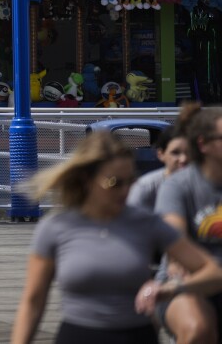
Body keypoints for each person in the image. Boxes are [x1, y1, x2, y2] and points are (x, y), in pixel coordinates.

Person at [12, 130, 222, 344]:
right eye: (114, 183)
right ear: (87, 180)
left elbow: (214, 272)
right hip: (77, 336)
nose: (125, 190)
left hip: (135, 336)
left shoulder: (146, 223)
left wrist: (171, 288)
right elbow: (33, 302)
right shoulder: (56, 227)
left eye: (130, 181)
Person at [156, 103, 222, 343]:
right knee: (198, 329)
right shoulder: (178, 186)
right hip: (187, 282)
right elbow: (175, 242)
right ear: (203, 144)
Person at [129, 122, 190, 212]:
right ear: (160, 154)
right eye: (175, 153)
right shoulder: (145, 188)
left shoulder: (203, 185)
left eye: (188, 152)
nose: (183, 159)